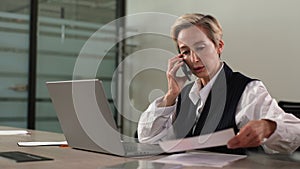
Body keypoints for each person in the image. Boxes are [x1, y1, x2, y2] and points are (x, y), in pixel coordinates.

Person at [137, 13, 300, 154]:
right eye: (186, 52)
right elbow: (148, 139)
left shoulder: (246, 89)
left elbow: (295, 132)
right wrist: (171, 95)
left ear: (218, 46)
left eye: (200, 47)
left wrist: (268, 127)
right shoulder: (185, 94)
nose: (194, 59)